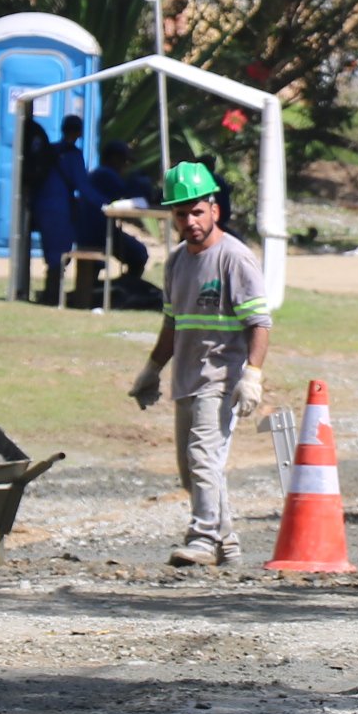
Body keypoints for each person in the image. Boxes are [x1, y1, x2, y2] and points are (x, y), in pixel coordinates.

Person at [127, 161, 270, 566]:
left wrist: (253, 375)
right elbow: (173, 322)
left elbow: (259, 322)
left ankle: (202, 539)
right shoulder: (176, 262)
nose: (190, 221)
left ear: (214, 210)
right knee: (190, 472)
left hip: (220, 377)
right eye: (181, 213)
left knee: (204, 458)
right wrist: (152, 369)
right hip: (186, 377)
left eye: (197, 211)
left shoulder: (235, 258)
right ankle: (227, 543)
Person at [26, 113, 92, 303]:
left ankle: (51, 292)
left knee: (52, 254)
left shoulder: (51, 151)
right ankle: (52, 295)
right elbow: (82, 185)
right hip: (60, 209)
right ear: (79, 132)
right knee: (61, 253)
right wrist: (105, 203)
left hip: (42, 206)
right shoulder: (73, 155)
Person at [76, 138, 155, 289]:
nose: (125, 167)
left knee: (132, 250)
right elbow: (127, 195)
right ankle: (123, 288)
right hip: (98, 233)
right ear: (114, 158)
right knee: (139, 254)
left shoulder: (97, 174)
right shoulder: (106, 175)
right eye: (124, 161)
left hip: (92, 230)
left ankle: (114, 288)